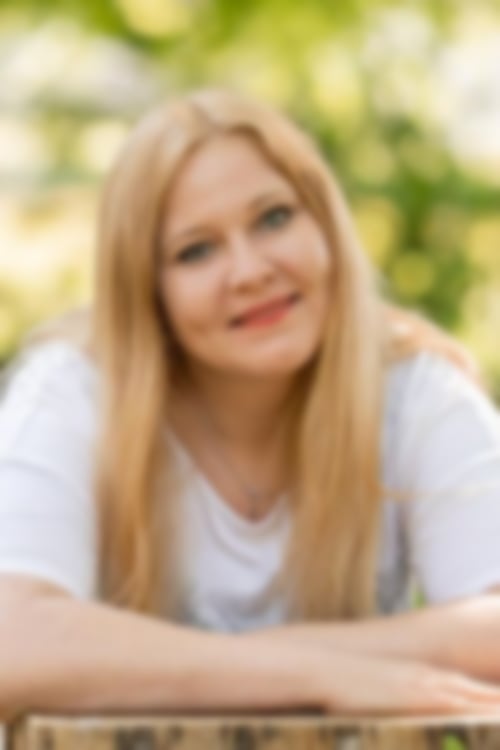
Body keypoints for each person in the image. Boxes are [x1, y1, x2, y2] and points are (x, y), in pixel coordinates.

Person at [1, 88, 500, 721]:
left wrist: (211, 661)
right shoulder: (71, 392)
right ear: (148, 292)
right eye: (196, 251)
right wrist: (317, 675)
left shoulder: (415, 392)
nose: (250, 271)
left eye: (274, 219)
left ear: (326, 224)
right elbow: (11, 642)